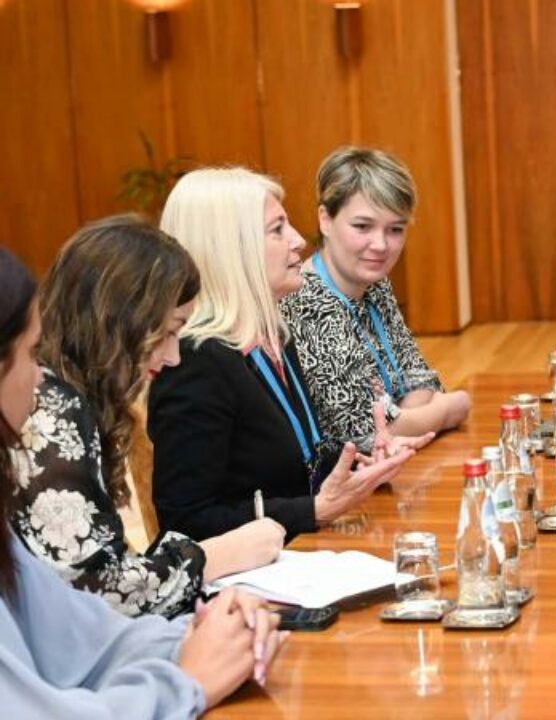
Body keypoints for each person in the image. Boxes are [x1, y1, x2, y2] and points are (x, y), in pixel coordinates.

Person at [0, 245, 286, 716]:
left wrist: (202, 634)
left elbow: (82, 632)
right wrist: (185, 682)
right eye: (30, 354)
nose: (38, 379)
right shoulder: (58, 408)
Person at [149, 167, 429, 542]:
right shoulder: (195, 362)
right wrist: (313, 510)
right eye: (277, 229)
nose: (298, 240)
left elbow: (295, 465)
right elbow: (186, 523)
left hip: (299, 553)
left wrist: (360, 468)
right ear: (233, 249)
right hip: (250, 574)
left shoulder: (273, 336)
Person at [281, 146, 470, 453]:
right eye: (362, 226)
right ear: (325, 220)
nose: (380, 245)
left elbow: (421, 378)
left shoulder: (374, 282)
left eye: (395, 229)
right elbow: (364, 435)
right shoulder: (307, 303)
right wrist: (449, 409)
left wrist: (402, 420)